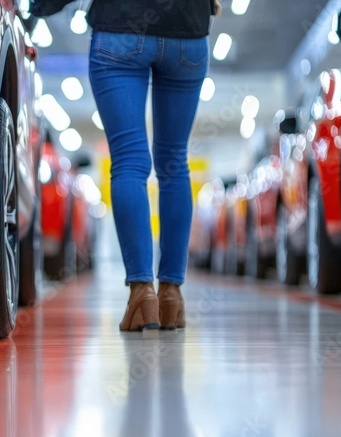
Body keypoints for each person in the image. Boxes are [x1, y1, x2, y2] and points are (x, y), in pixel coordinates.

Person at [87, 0, 218, 331]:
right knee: (174, 161)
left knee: (129, 161)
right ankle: (172, 295)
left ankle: (141, 292)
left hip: (120, 26)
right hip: (188, 28)